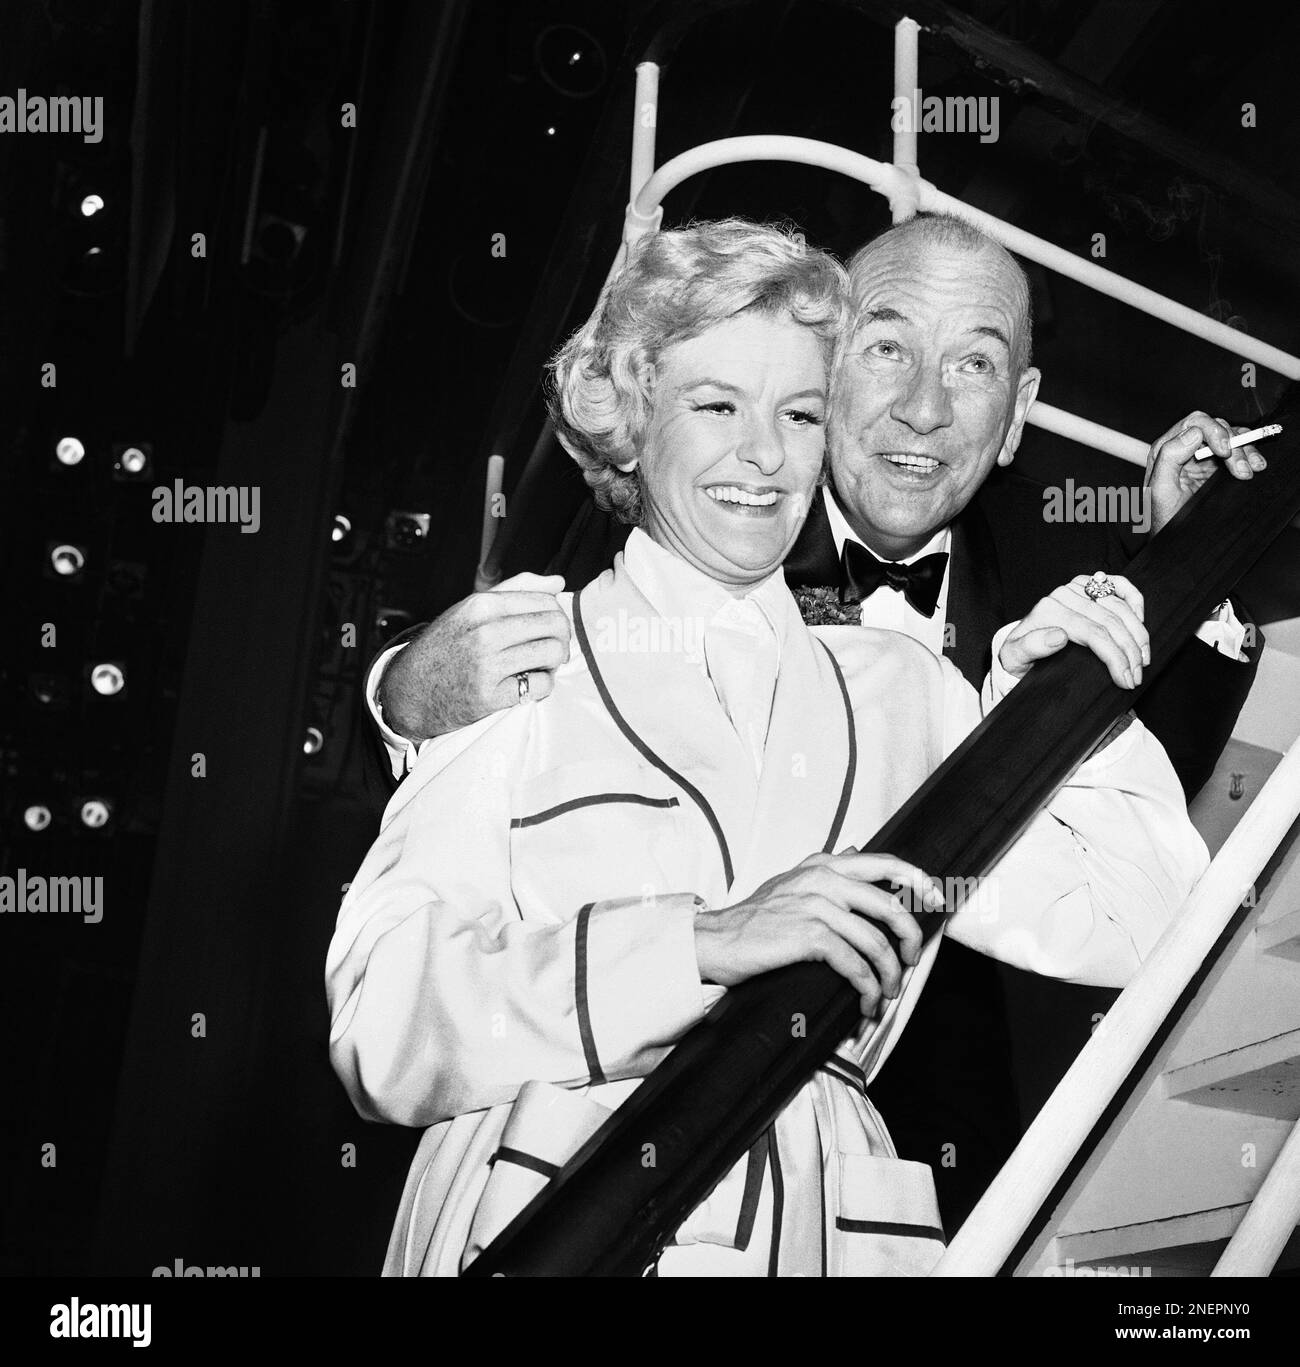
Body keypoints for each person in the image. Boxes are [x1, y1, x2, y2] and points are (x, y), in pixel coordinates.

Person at [326, 219, 1209, 1277]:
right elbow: (384, 1029)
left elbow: (1144, 920)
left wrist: (1060, 720)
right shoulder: (517, 656)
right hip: (545, 1201)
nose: (764, 453)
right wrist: (700, 942)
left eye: (797, 411)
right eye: (715, 406)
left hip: (824, 1222)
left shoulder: (908, 688)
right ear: (631, 419)